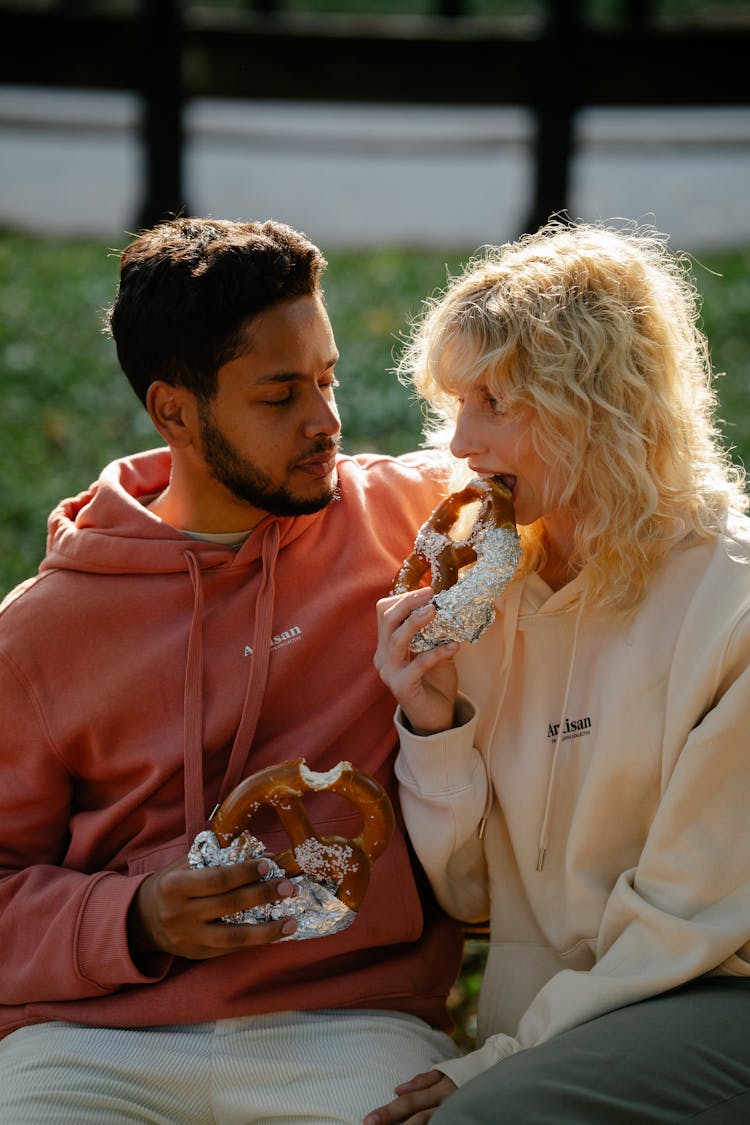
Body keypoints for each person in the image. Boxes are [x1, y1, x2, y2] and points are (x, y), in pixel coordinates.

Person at [0, 216, 466, 1123]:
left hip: (355, 1022)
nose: (325, 421)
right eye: (280, 394)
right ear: (173, 409)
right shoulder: (42, 631)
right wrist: (133, 919)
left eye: (328, 380)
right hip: (91, 1042)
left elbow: (571, 475)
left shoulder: (409, 522)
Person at [369, 219, 750, 1123]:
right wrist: (432, 725)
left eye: (495, 402)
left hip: (710, 991)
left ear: (598, 404)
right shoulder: (492, 585)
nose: (459, 442)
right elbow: (472, 895)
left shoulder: (729, 604)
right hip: (551, 1028)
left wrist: (501, 1062)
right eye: (455, 402)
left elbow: (686, 921)